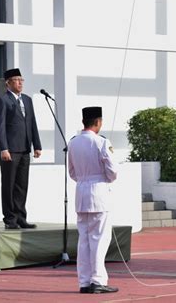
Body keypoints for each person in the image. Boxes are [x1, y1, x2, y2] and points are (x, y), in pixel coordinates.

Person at [68, 107, 119, 294]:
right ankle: (97, 281)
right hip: (99, 193)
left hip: (81, 193)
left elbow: (72, 172)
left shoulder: (73, 143)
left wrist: (84, 179)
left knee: (84, 241)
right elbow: (113, 172)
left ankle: (84, 281)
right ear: (98, 122)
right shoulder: (102, 142)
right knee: (99, 239)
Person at [0, 68, 41, 229]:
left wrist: (37, 145)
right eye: (16, 79)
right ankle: (10, 219)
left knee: (22, 185)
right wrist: (3, 148)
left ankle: (21, 217)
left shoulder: (27, 100)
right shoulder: (3, 100)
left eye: (22, 79)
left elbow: (32, 123)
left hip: (25, 148)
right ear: (8, 83)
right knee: (9, 184)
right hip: (10, 150)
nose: (20, 82)